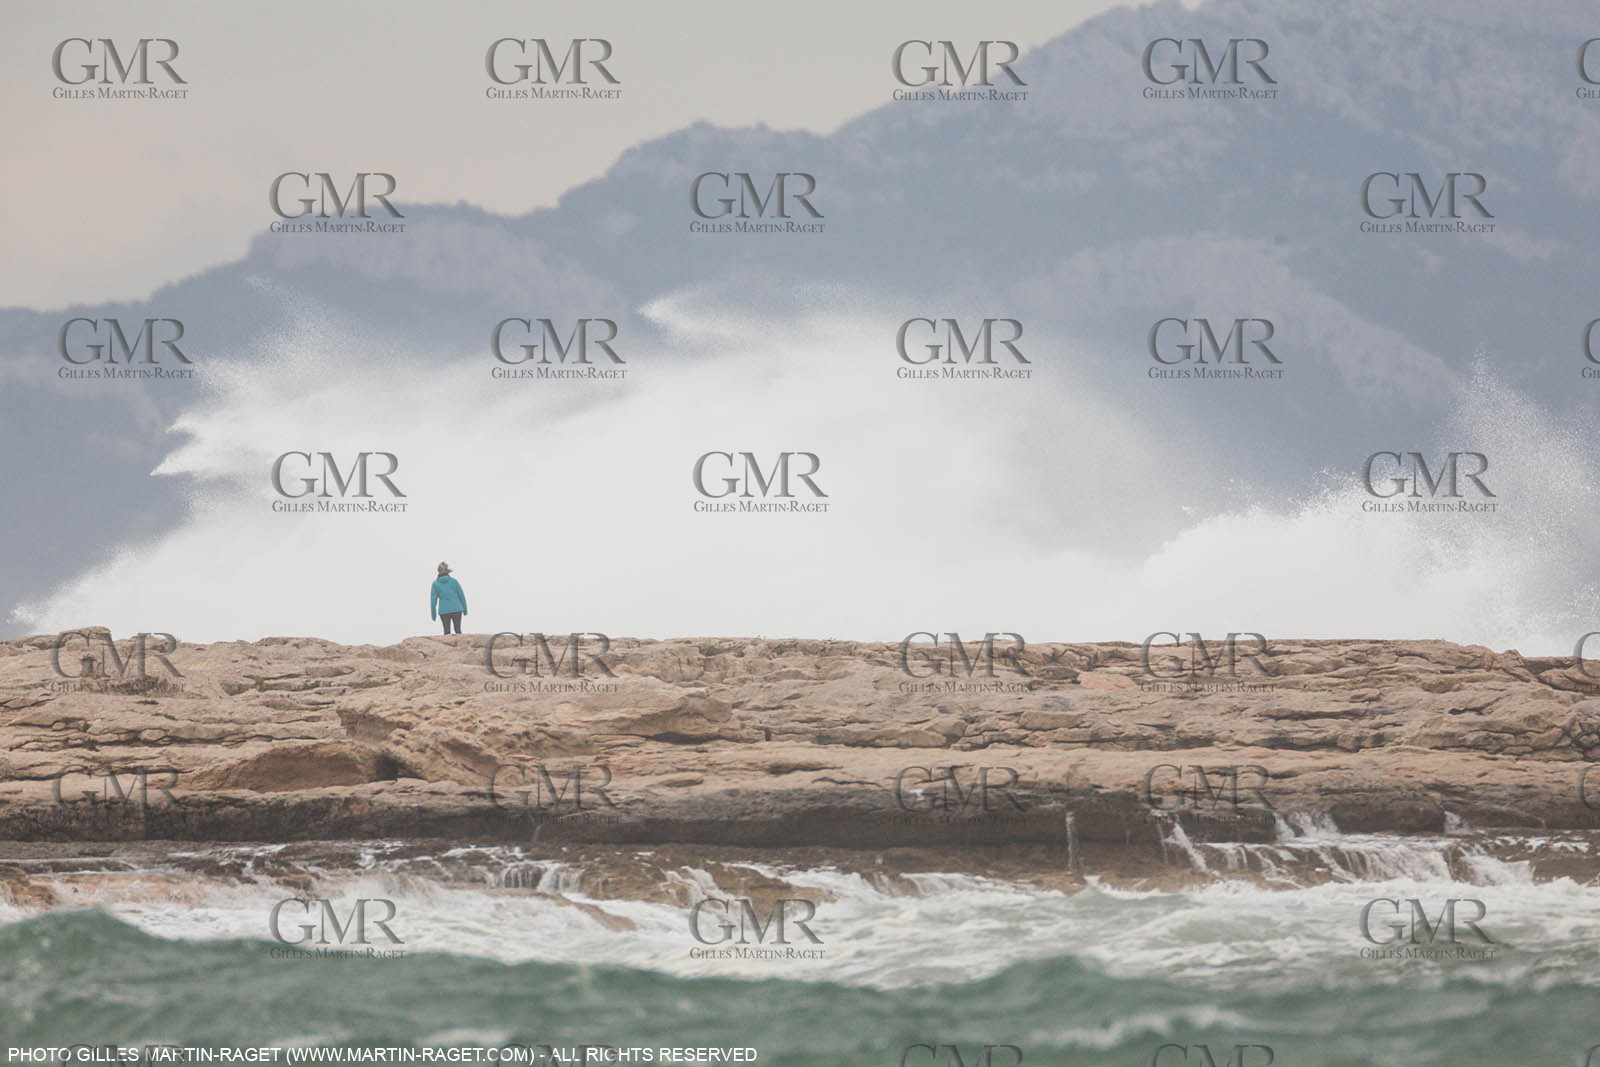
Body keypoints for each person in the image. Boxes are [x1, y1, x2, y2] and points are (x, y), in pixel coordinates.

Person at [430, 562, 467, 635]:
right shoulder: (454, 581)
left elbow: (433, 600)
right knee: (458, 630)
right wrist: (465, 609)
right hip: (457, 609)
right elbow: (461, 596)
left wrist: (433, 614)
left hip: (444, 611)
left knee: (446, 632)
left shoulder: (435, 584)